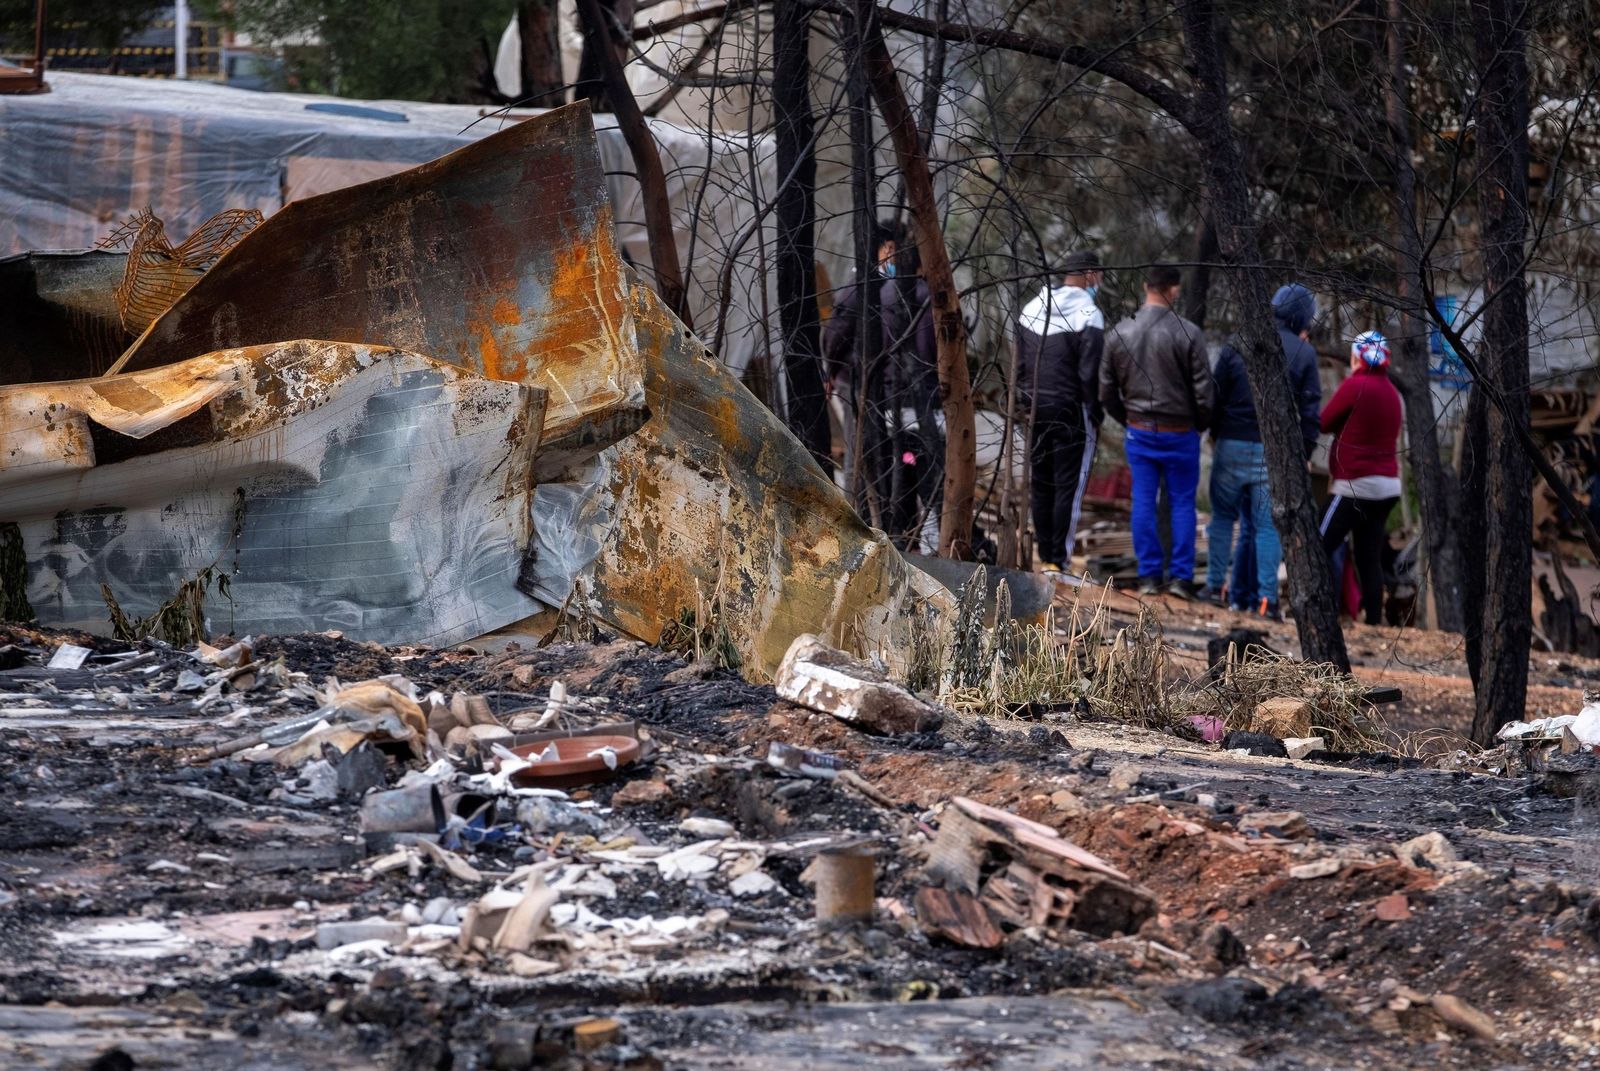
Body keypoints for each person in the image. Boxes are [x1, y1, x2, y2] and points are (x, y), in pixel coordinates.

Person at [1202, 283, 1324, 618]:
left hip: (1230, 443)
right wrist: (1304, 452)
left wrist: (1215, 433)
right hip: (1274, 453)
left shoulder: (1237, 342)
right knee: (1268, 526)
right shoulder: (1304, 353)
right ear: (1302, 318)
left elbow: (1215, 393)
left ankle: (1214, 587)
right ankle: (1267, 600)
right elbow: (1312, 411)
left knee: (1224, 519)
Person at [1100, 264, 1214, 597]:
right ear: (1174, 289)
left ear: (1143, 285)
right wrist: (1199, 427)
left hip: (1139, 430)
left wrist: (1128, 420)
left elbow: (1106, 390)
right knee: (1181, 504)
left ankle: (1149, 576)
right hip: (1180, 432)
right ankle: (1180, 578)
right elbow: (1204, 392)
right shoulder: (1188, 333)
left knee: (1143, 502)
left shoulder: (1120, 332)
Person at [1015, 250, 1105, 573]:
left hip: (1035, 407)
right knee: (1068, 484)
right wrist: (1095, 411)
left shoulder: (1032, 308)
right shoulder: (1088, 312)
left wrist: (1024, 403)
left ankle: (1044, 556)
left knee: (1041, 483)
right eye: (1100, 277)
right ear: (1090, 274)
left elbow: (1021, 365)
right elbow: (1089, 373)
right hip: (1071, 411)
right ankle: (1060, 560)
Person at [1319, 330, 1403, 626]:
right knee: (1369, 554)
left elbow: (1324, 421)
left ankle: (1321, 610)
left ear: (1357, 355)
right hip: (1387, 487)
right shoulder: (1392, 393)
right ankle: (1374, 620)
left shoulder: (1355, 386)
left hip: (1354, 484)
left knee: (1319, 543)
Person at [823, 220, 900, 505]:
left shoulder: (889, 286)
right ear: (878, 250)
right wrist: (831, 372)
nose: (894, 257)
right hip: (854, 379)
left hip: (876, 380)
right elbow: (834, 335)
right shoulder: (860, 288)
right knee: (857, 448)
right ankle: (854, 510)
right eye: (890, 250)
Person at [880, 242, 944, 552]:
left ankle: (899, 544)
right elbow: (934, 351)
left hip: (891, 400)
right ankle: (932, 549)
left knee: (900, 471)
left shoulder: (883, 293)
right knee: (929, 476)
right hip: (925, 403)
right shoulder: (928, 297)